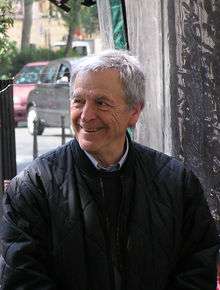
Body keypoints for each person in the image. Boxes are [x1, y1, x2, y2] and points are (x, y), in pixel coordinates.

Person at [0, 50, 219, 290]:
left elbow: (199, 267)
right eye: (78, 101)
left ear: (134, 112)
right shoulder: (34, 186)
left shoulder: (177, 183)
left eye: (101, 103)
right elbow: (21, 279)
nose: (86, 115)